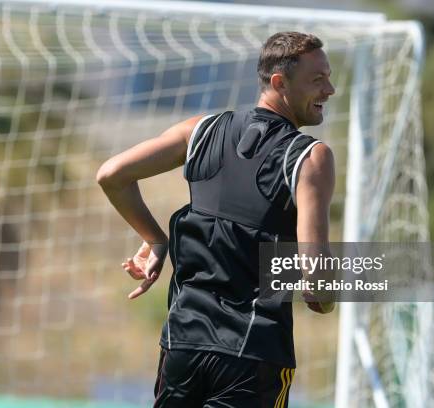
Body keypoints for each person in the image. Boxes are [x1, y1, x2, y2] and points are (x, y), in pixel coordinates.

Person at [96, 31, 335, 408]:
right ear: (279, 82)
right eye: (318, 80)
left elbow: (112, 174)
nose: (330, 90)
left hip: (182, 347)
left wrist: (157, 239)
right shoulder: (310, 156)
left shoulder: (200, 130)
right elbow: (315, 266)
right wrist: (324, 295)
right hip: (253, 354)